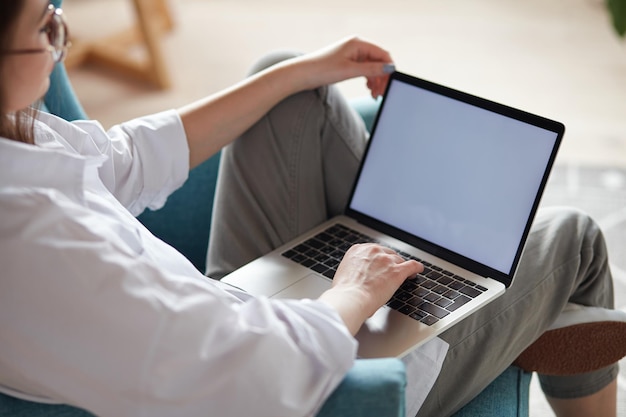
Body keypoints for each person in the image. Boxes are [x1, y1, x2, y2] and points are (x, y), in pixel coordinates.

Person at [0, 1, 624, 416]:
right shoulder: (38, 245)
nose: (59, 42)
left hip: (232, 313)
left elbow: (121, 159)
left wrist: (299, 73)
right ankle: (542, 314)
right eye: (43, 29)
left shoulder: (18, 145)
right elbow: (261, 372)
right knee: (573, 238)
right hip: (313, 383)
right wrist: (353, 291)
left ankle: (503, 299)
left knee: (289, 89)